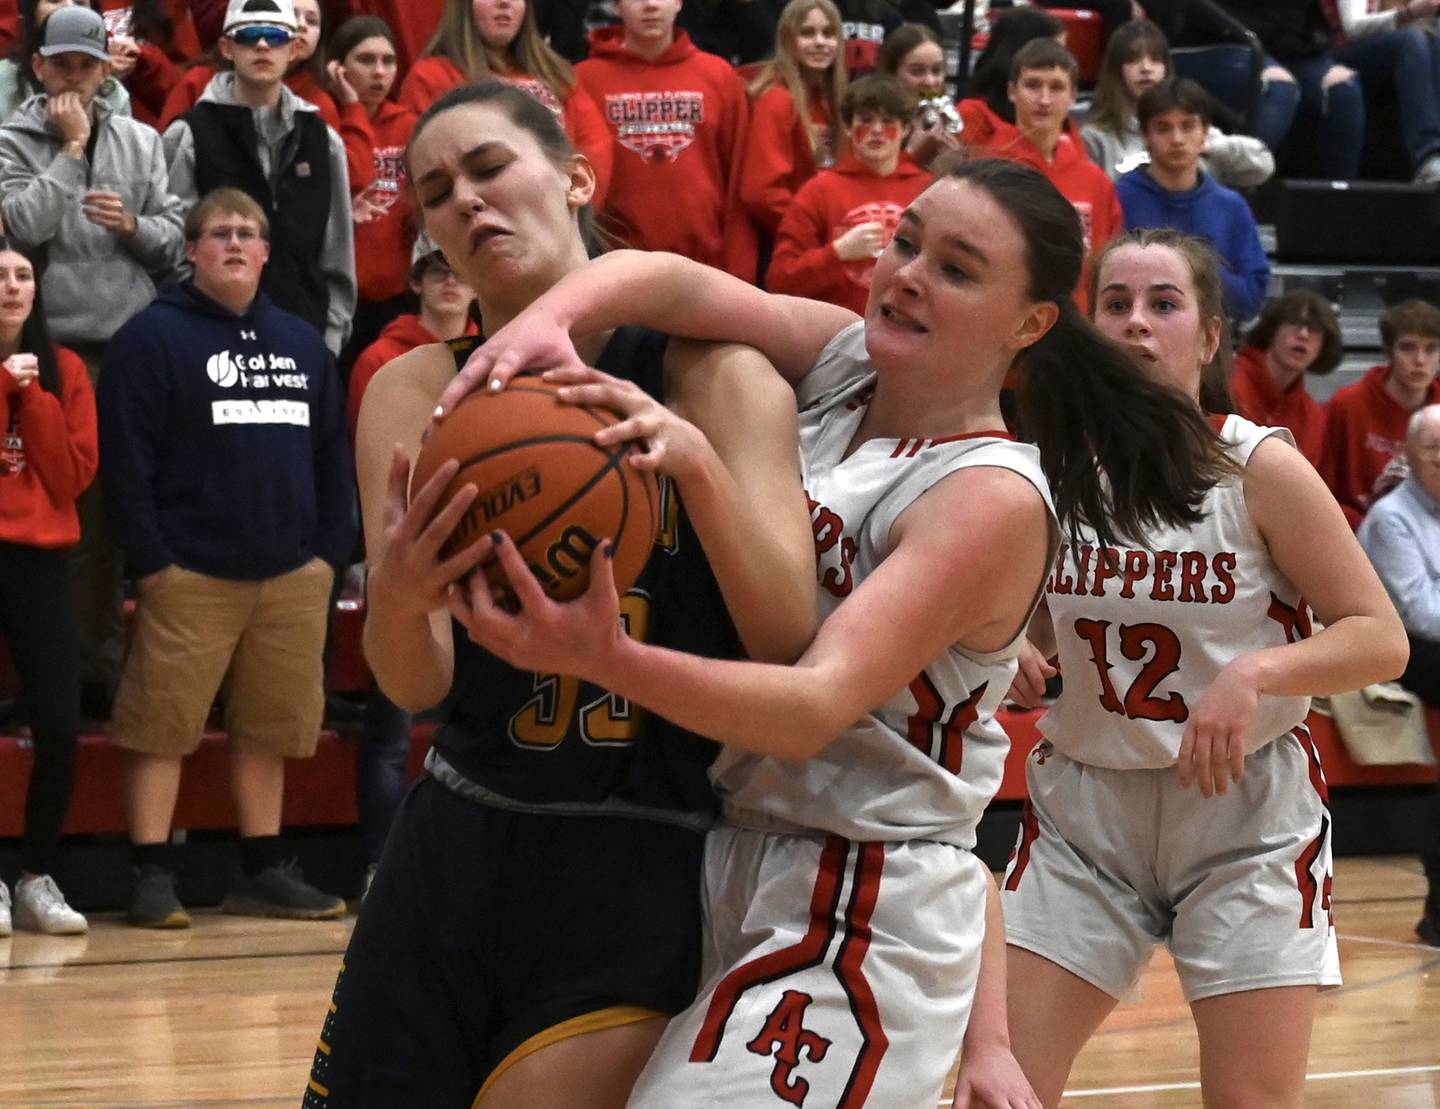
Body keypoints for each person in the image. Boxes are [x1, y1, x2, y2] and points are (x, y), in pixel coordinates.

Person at [435, 159, 1243, 1107]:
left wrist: (607, 656)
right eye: (907, 243)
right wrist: (547, 324)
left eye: (956, 268)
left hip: (862, 905)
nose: (906, 273)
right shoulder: (840, 364)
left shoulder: (990, 493)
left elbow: (814, 708)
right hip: (729, 855)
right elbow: (676, 279)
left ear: (1029, 326)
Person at [304, 81, 817, 1107]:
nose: (467, 204)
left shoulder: (712, 374)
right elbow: (416, 685)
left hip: (641, 849)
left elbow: (787, 635)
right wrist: (400, 590)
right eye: (438, 193)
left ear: (577, 177)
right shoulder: (413, 390)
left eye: (491, 169)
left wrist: (698, 470)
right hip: (455, 831)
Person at [999, 225, 1409, 1109]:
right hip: (1085, 810)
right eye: (1116, 304)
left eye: (1163, 303)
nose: (1137, 322)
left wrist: (1258, 673)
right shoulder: (1047, 469)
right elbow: (1028, 615)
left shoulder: (1260, 466)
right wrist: (1008, 648)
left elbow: (1380, 636)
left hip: (1244, 816)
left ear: (1212, 336)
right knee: (1002, 1089)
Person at [99, 186, 355, 929]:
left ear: (268, 252)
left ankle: (263, 868)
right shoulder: (151, 338)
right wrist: (152, 560)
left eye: (248, 233)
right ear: (191, 249)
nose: (235, 243)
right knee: (159, 727)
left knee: (271, 727)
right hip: (189, 572)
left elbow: (332, 455)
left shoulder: (302, 341)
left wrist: (327, 555)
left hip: (292, 574)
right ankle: (151, 871)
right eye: (219, 233)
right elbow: (127, 463)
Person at [0, 1, 185, 721]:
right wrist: (71, 152)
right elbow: (18, 227)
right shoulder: (13, 139)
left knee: (122, 516)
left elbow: (175, 240)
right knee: (62, 518)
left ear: (108, 67)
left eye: (88, 64)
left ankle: (107, 677)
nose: (75, 78)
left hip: (133, 344)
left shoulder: (143, 141)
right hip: (47, 348)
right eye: (63, 64)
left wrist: (135, 227)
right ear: (38, 67)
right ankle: (63, 681)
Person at [164, 0, 356, 357]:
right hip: (209, 341)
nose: (263, 46)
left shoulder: (323, 141)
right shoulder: (188, 135)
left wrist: (328, 340)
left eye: (275, 36)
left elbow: (338, 255)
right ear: (227, 48)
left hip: (303, 339)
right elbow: (175, 249)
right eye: (249, 35)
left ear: (295, 47)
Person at [0, 237, 96, 937]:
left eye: (23, 274)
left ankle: (34, 873)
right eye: (0, 275)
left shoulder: (66, 371)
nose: (11, 287)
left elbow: (67, 479)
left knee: (60, 723)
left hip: (40, 561)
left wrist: (30, 394)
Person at [575, 0, 756, 280]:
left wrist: (741, 275)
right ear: (616, 6)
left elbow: (739, 188)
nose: (650, 5)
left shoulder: (719, 77)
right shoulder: (584, 80)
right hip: (614, 272)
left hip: (707, 272)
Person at [1357, 404, 1440, 945]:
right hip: (1404, 652)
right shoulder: (1392, 518)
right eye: (1434, 449)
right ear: (1409, 455)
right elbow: (1422, 614)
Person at [396, 0, 611, 205]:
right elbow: (425, 166)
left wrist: (570, 209)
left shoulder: (556, 74)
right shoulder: (432, 76)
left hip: (561, 215)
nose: (504, 3)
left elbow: (595, 149)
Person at [965, 38, 1122, 309]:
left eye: (1057, 87)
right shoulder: (985, 168)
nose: (1044, 99)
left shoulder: (1095, 181)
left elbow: (1107, 265)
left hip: (1076, 329)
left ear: (1074, 96)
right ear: (1012, 91)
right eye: (1033, 85)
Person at [1212, 0, 1440, 181]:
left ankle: (1433, 159)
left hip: (1355, 48)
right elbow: (1352, 28)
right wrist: (1408, 13)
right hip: (1326, 49)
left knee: (1432, 44)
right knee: (1410, 41)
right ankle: (1428, 157)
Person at [766, 73, 930, 313]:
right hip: (836, 331)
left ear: (905, 128)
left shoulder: (928, 189)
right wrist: (838, 252)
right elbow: (779, 281)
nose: (876, 130)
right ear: (847, 126)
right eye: (866, 120)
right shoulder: (818, 191)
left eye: (887, 121)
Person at [1115, 78, 1269, 321]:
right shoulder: (1117, 199)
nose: (1177, 139)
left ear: (1205, 131)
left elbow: (1251, 299)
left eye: (1187, 126)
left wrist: (1187, 270)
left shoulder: (1231, 207)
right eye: (1163, 128)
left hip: (1212, 348)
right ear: (1146, 134)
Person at [326, 14, 417, 374]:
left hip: (398, 292)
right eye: (365, 60)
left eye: (388, 61)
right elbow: (358, 177)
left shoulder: (409, 123)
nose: (379, 72)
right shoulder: (323, 116)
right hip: (341, 293)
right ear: (338, 68)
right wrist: (352, 109)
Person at [1081, 19, 1274, 188]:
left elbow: (1263, 166)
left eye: (1155, 60)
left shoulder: (1191, 132)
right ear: (1116, 71)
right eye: (1133, 60)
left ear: (1166, 68)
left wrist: (1209, 148)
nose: (1146, 68)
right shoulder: (1095, 137)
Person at [1322, 298, 1440, 528]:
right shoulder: (1347, 405)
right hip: (1357, 536)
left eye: (1431, 349)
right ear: (1388, 352)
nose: (1419, 360)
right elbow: (1322, 490)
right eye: (1408, 347)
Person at [739, 0, 845, 241]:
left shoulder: (830, 102)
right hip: (785, 242)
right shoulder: (777, 100)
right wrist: (810, 230)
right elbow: (761, 193)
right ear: (788, 40)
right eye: (807, 33)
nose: (820, 42)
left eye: (828, 33)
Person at [157, 0, 341, 130]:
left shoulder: (320, 104)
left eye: (312, 20)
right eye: (292, 13)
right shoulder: (199, 81)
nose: (301, 26)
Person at [1231, 289, 1343, 468]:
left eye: (1314, 329)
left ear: (1324, 345)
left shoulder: (1312, 417)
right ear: (1272, 330)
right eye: (1294, 323)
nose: (1303, 335)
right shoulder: (1228, 382)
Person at [0, 0, 131, 121]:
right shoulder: (4, 82)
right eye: (54, 0)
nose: (69, 7)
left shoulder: (114, 94)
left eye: (80, 3)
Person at [98, 0, 203, 127]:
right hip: (92, 123)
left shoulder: (170, 6)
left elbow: (189, 88)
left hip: (153, 132)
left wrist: (143, 59)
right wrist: (97, 67)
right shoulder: (74, 5)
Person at [880, 22, 960, 170]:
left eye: (937, 71)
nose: (930, 82)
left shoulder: (952, 121)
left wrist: (956, 164)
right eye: (917, 71)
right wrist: (911, 155)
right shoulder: (873, 122)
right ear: (892, 75)